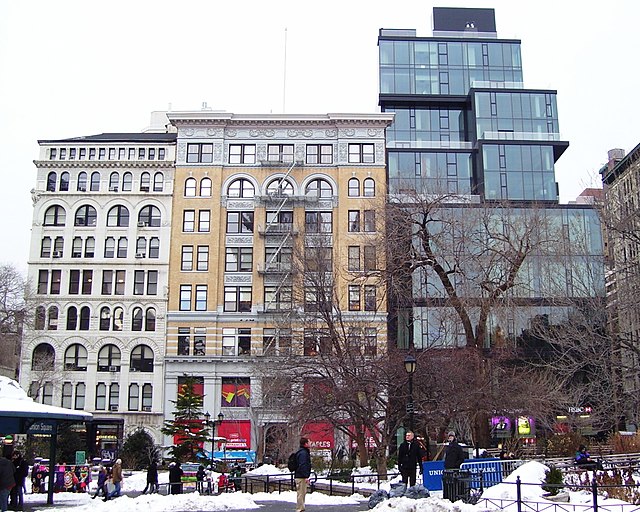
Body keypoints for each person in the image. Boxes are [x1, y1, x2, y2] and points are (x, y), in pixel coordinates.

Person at [442, 431, 466, 501]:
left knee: (455, 484)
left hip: (455, 469)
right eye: (449, 437)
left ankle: (455, 497)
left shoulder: (457, 447)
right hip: (448, 468)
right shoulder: (448, 447)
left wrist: (456, 465)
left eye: (451, 436)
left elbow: (461, 458)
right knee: (449, 484)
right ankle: (449, 497)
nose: (450, 438)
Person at [294, 437, 311, 512]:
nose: (310, 443)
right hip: (301, 477)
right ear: (305, 444)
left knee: (301, 494)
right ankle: (300, 509)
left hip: (300, 476)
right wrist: (306, 476)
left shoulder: (301, 452)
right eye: (309, 442)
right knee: (301, 494)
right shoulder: (303, 453)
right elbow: (303, 465)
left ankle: (301, 508)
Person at [0, 446, 15, 512]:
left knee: (3, 499)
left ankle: (4, 510)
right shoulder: (9, 462)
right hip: (10, 483)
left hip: (3, 484)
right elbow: (14, 470)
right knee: (4, 499)